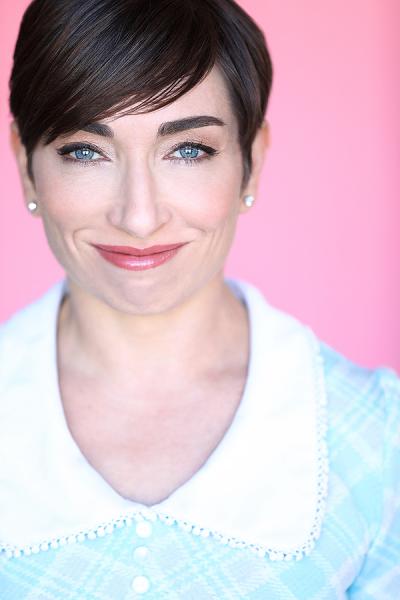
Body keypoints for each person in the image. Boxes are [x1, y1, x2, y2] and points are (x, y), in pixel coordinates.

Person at [1, 0, 399, 598]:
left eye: (188, 150)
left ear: (251, 163)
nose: (139, 216)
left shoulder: (378, 441)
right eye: (85, 150)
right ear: (26, 166)